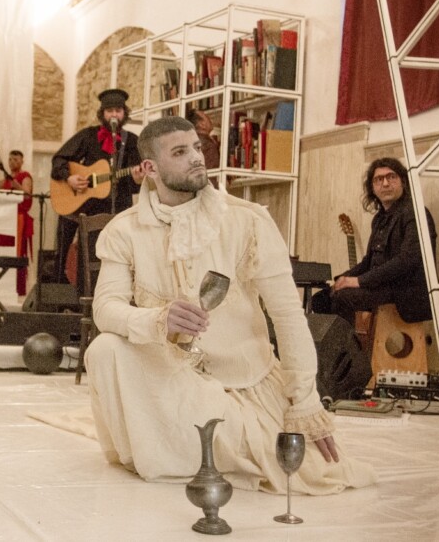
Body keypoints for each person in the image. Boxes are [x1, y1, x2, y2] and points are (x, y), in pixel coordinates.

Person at [85, 116, 376, 495]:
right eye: (179, 152)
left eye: (196, 147)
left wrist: (304, 402)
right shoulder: (124, 230)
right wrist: (158, 319)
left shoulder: (247, 221)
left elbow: (288, 315)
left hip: (242, 383)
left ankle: (185, 445)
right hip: (169, 375)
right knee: (105, 349)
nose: (196, 157)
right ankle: (174, 447)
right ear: (150, 169)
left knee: (301, 469)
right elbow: (105, 308)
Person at [318, 157, 437, 326]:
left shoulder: (415, 213)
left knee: (343, 298)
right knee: (321, 298)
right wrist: (344, 279)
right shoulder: (379, 219)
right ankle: (340, 350)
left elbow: (407, 260)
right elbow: (369, 261)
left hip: (405, 292)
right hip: (382, 287)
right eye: (379, 179)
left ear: (403, 182)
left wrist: (358, 281)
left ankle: (351, 351)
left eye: (391, 177)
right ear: (372, 188)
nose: (386, 183)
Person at [50, 88, 144, 291]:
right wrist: (70, 177)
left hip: (118, 208)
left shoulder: (132, 142)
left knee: (116, 255)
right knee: (87, 253)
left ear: (124, 113)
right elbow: (59, 159)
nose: (114, 115)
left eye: (118, 110)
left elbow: (135, 181)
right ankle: (78, 297)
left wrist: (137, 179)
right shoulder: (88, 136)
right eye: (109, 111)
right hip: (87, 206)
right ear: (102, 114)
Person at [0, 150, 33, 296]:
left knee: (18, 251)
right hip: (6, 218)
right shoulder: (7, 179)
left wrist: (15, 183)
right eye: (10, 159)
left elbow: (26, 193)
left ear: (22, 161)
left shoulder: (25, 176)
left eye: (15, 159)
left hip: (19, 217)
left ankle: (18, 288)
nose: (12, 162)